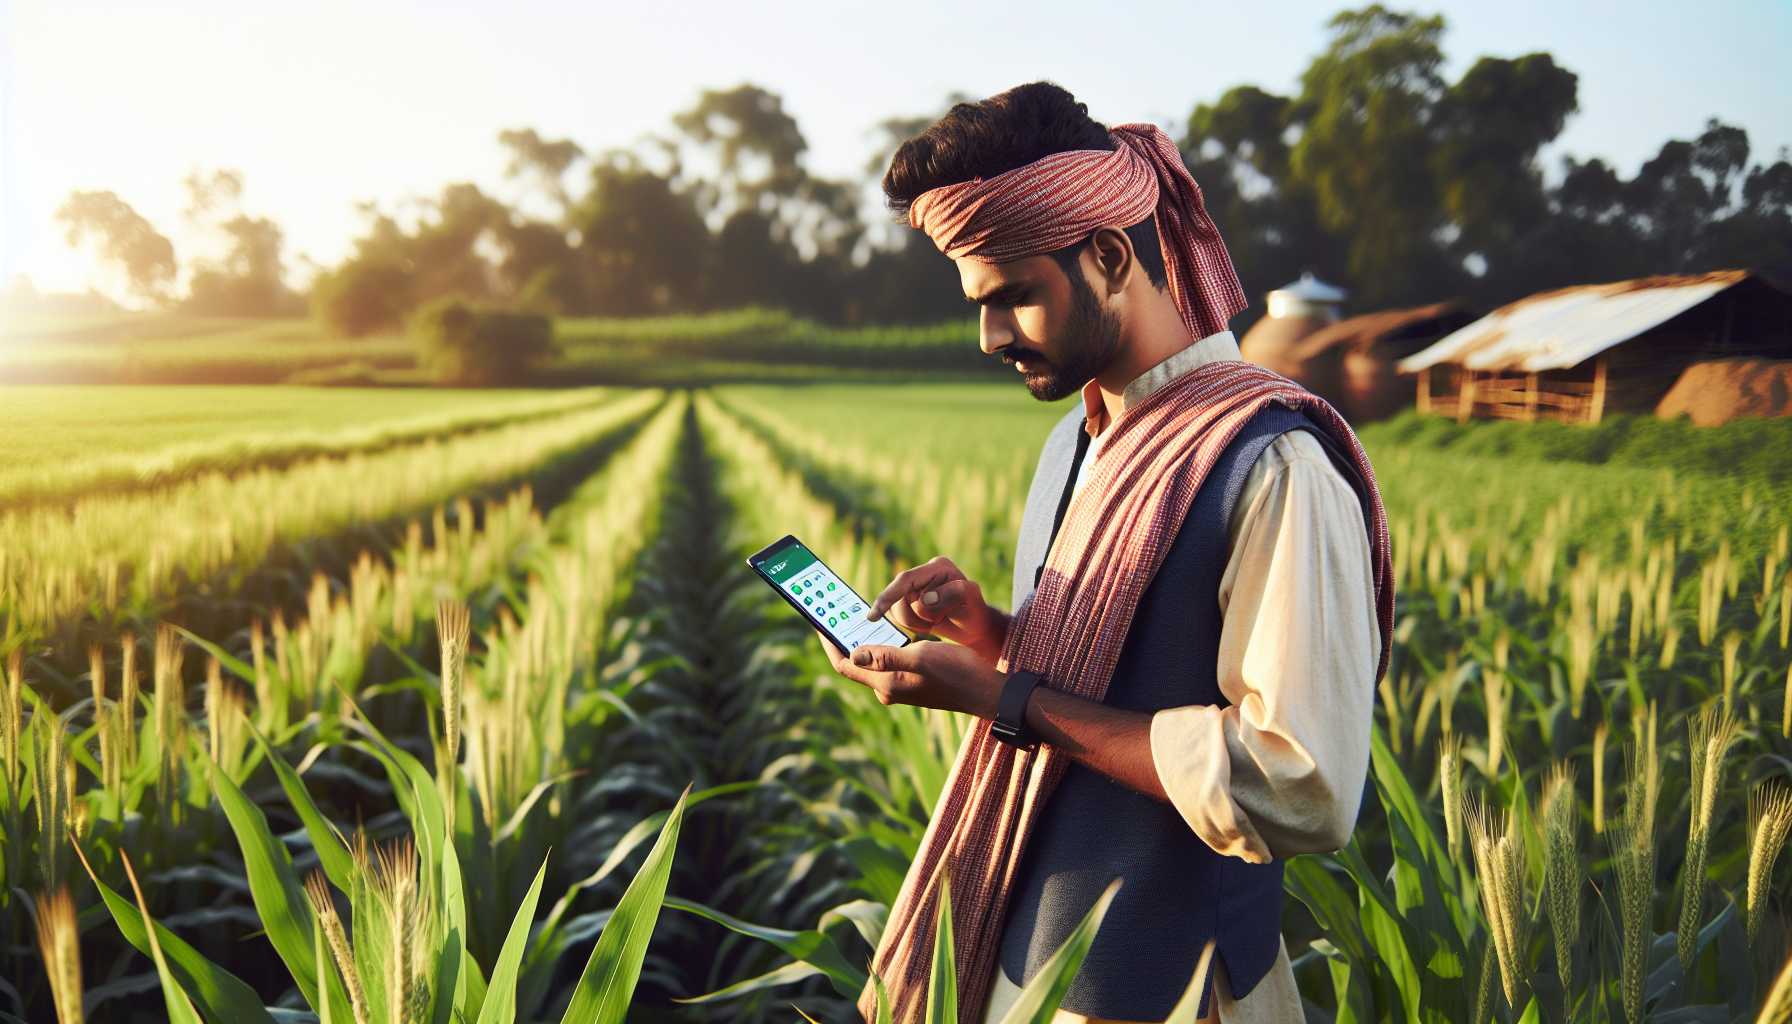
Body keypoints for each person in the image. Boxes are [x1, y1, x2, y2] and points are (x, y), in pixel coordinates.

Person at [813, 81, 1395, 1024]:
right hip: (1030, 965)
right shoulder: (1078, 439)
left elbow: (1299, 785)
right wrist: (994, 639)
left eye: (1014, 298)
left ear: (1111, 255)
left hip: (1175, 994)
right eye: (978, 301)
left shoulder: (1275, 462)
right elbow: (1117, 683)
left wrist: (1002, 698)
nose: (989, 335)